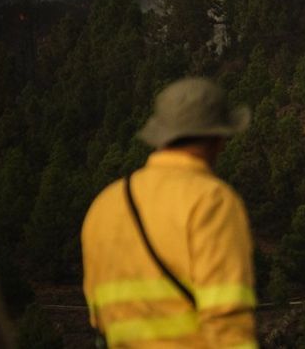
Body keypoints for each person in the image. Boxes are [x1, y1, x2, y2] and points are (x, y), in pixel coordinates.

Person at [80, 77, 257, 348]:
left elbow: (98, 316)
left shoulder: (106, 203)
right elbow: (225, 314)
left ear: (160, 136)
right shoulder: (211, 200)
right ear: (219, 139)